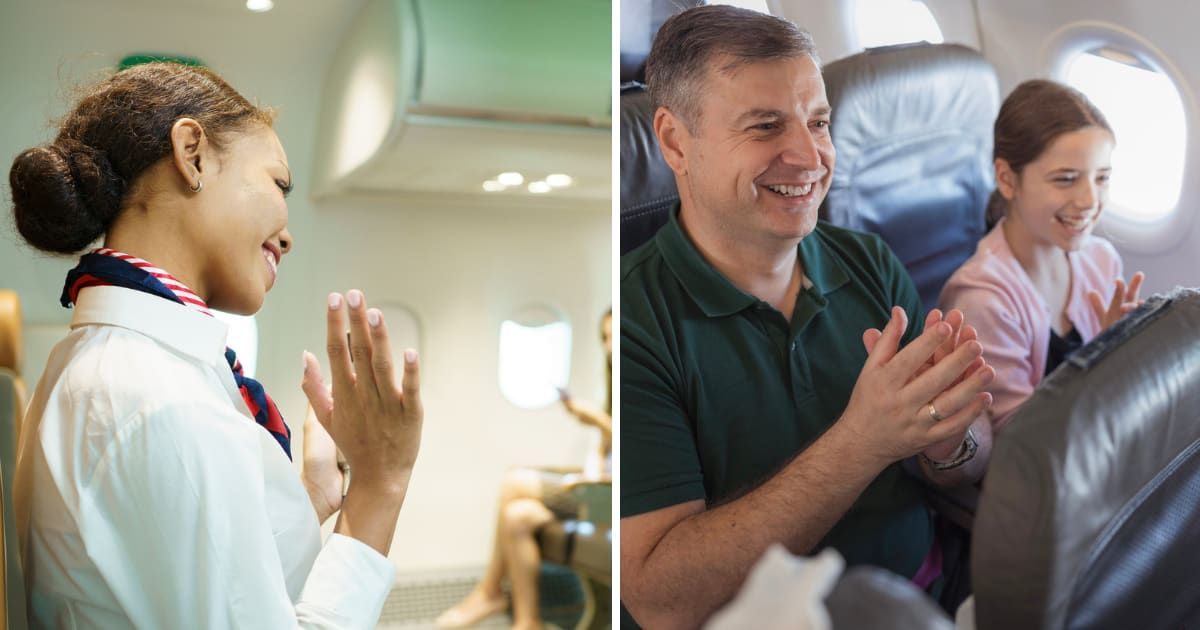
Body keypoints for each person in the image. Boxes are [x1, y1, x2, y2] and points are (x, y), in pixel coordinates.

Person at [9, 62, 424, 628]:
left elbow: (194, 571)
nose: (287, 234)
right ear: (193, 154)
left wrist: (315, 495)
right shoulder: (159, 397)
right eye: (279, 184)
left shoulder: (110, 362)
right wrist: (381, 483)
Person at [620, 6, 996, 628]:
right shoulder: (637, 322)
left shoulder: (869, 260)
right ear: (673, 141)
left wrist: (950, 439)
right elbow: (662, 600)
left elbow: (969, 459)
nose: (810, 156)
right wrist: (864, 440)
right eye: (766, 127)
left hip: (927, 593)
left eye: (818, 122)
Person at [938, 79, 1144, 432]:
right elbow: (1020, 440)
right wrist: (1106, 364)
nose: (1089, 200)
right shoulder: (983, 300)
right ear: (1007, 179)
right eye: (1066, 179)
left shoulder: (1102, 260)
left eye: (1102, 178)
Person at [435, 310, 612, 630]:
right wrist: (590, 467)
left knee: (514, 482)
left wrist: (599, 422)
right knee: (517, 516)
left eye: (615, 337)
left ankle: (489, 592)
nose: (610, 346)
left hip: (611, 496)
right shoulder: (612, 392)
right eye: (605, 338)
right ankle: (528, 621)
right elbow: (604, 452)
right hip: (596, 485)